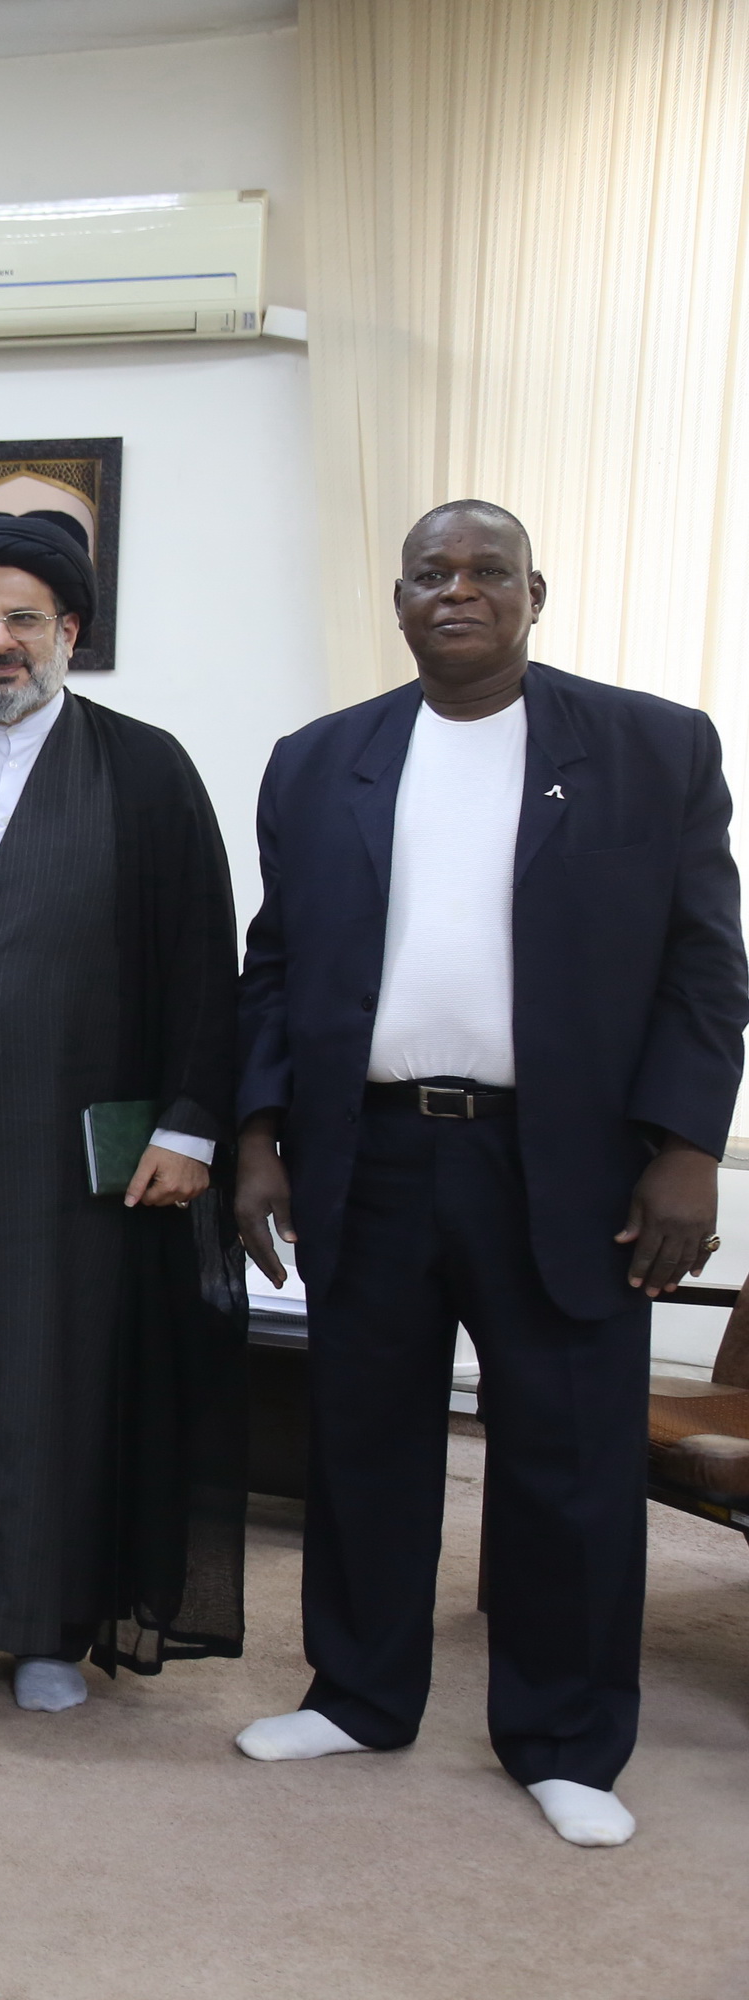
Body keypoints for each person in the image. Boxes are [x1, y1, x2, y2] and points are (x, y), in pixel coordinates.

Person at [230, 501, 747, 1847]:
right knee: (364, 1439)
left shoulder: (654, 749)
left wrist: (689, 1150)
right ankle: (357, 1692)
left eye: (487, 572)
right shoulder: (318, 760)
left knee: (565, 1458)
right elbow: (277, 966)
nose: (458, 592)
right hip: (373, 1151)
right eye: (431, 573)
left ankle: (567, 1740)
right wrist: (258, 1135)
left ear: (536, 593)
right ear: (397, 599)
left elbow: (706, 968)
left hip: (566, 1162)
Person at [0, 510, 247, 1715]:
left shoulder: (148, 767)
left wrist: (190, 1124)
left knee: (62, 1389)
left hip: (85, 1166)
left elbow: (201, 961)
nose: (0, 642)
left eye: (23, 619)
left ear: (70, 630)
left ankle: (44, 1630)